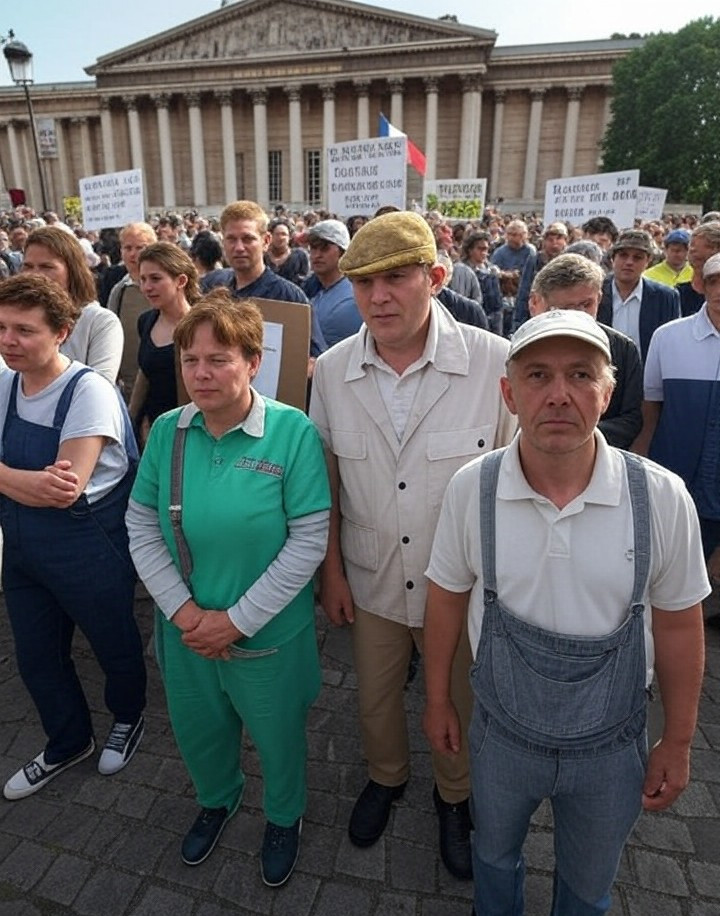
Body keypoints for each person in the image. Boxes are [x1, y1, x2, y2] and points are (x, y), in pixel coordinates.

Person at [423, 308, 708, 915]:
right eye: (537, 376)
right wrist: (439, 698)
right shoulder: (471, 488)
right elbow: (446, 595)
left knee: (588, 885)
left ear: (607, 393)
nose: (558, 395)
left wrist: (678, 739)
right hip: (500, 736)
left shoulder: (660, 496)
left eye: (581, 375)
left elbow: (681, 623)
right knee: (494, 857)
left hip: (613, 748)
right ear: (508, 392)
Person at [309, 211, 515, 881]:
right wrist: (331, 573)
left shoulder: (494, 363)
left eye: (395, 279)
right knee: (373, 697)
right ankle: (386, 777)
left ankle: (454, 797)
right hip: (371, 579)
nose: (377, 298)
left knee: (458, 698)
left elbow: (518, 482)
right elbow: (327, 482)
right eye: (363, 283)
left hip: (463, 590)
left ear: (436, 276)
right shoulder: (334, 371)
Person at [126, 290, 330, 886]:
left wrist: (236, 620)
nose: (201, 373)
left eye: (219, 359)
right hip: (186, 630)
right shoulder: (169, 430)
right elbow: (141, 522)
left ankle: (284, 815)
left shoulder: (291, 432)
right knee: (199, 728)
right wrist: (186, 612)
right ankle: (217, 798)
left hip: (266, 634)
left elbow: (308, 540)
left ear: (254, 361)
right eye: (191, 360)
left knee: (277, 733)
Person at [0, 274, 146, 800]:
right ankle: (68, 741)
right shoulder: (6, 382)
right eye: (1, 328)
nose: (8, 341)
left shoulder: (89, 391)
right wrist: (23, 482)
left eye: (24, 330)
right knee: (36, 656)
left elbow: (62, 491)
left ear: (62, 332)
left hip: (87, 544)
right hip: (22, 549)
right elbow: (36, 487)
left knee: (114, 643)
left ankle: (128, 716)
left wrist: (16, 481)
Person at [634, 252, 720, 606]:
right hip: (676, 481)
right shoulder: (668, 338)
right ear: (700, 284)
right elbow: (651, 409)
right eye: (714, 281)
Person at [529, 253, 643, 449]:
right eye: (564, 308)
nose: (577, 315)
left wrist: (577, 436)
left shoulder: (623, 349)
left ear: (598, 298)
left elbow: (631, 418)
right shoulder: (521, 349)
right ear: (536, 304)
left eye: (585, 305)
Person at [201, 200, 326, 366]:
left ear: (266, 241)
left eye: (247, 239)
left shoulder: (289, 298)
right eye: (231, 239)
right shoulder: (213, 289)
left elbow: (316, 359)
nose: (239, 247)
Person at [22, 226, 123, 384]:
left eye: (46, 267)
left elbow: (99, 387)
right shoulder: (12, 320)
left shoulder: (100, 322)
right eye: (28, 266)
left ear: (72, 270)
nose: (35, 275)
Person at [128, 242, 200, 445]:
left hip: (192, 434)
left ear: (181, 281)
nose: (147, 287)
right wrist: (132, 420)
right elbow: (145, 373)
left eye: (156, 279)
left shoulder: (202, 325)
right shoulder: (146, 321)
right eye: (142, 279)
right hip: (152, 433)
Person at [597, 229, 680, 362]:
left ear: (648, 261)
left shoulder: (665, 297)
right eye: (623, 255)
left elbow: (672, 344)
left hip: (646, 376)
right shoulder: (596, 292)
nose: (629, 262)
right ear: (613, 258)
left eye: (637, 257)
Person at [107, 222, 158, 397]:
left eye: (140, 247)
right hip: (128, 384)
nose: (133, 254)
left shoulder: (166, 286)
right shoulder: (119, 290)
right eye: (127, 248)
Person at [302, 219, 361, 347]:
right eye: (313, 248)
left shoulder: (353, 296)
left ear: (343, 252)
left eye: (325, 248)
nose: (317, 255)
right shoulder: (310, 287)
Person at [512, 221, 569, 330]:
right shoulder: (534, 261)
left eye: (559, 239)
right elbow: (524, 292)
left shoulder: (570, 261)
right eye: (550, 240)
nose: (554, 243)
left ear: (566, 241)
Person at [265, 218, 309, 287]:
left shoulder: (300, 256)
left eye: (284, 234)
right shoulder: (263, 256)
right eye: (277, 234)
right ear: (271, 236)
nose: (280, 237)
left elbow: (306, 281)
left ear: (290, 237)